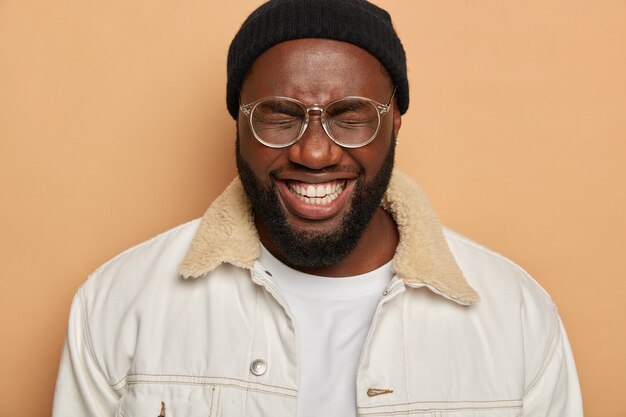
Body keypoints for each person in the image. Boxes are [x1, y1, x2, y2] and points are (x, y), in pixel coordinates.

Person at [52, 0, 583, 416]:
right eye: (279, 116)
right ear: (238, 121)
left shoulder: (513, 314)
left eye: (350, 116)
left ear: (395, 121)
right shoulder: (122, 303)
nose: (313, 152)